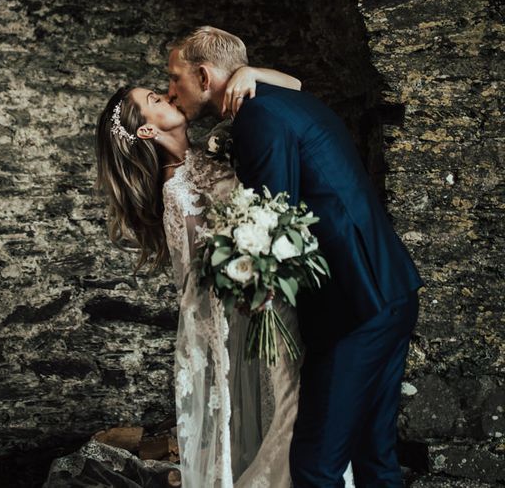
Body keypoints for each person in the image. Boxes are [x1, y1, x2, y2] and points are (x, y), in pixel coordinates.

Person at [167, 26, 424, 488]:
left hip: (354, 307)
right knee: (376, 458)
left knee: (314, 466)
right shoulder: (279, 100)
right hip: (391, 288)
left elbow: (271, 216)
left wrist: (252, 289)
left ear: (204, 77)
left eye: (175, 79)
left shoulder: (258, 118)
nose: (171, 91)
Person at [88, 62, 316, 488]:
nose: (166, 95)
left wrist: (249, 73)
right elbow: (207, 275)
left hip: (278, 297)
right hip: (257, 310)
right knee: (294, 406)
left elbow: (296, 83)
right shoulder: (175, 190)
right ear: (146, 132)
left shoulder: (209, 151)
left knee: (299, 406)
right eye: (154, 100)